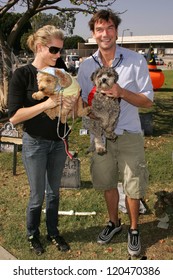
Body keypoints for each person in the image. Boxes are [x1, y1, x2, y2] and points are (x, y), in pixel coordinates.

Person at [77, 9, 154, 257]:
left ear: (116, 31)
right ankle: (114, 223)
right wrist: (83, 111)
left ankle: (133, 229)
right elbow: (80, 100)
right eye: (100, 29)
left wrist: (122, 93)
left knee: (133, 184)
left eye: (109, 28)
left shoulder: (135, 60)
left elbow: (147, 101)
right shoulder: (86, 65)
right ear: (93, 34)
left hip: (129, 132)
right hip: (100, 135)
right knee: (106, 181)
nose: (105, 33)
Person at [8, 25, 76, 255]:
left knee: (54, 192)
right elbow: (15, 116)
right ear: (39, 47)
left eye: (61, 51)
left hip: (59, 142)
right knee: (38, 195)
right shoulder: (22, 74)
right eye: (54, 50)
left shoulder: (60, 70)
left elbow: (72, 94)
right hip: (34, 143)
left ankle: (53, 232)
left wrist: (72, 104)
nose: (59, 56)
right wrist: (46, 104)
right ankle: (32, 234)